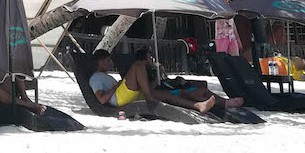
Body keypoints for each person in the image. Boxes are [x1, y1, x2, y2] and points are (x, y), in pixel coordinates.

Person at [88, 48, 224, 118]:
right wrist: (116, 86)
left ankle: (198, 105)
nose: (110, 63)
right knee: (137, 66)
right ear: (99, 61)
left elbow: (147, 86)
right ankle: (149, 96)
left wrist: (158, 76)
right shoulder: (95, 78)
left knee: (165, 94)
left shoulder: (105, 76)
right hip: (119, 99)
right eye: (107, 60)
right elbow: (101, 100)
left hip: (128, 95)